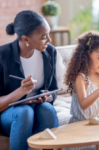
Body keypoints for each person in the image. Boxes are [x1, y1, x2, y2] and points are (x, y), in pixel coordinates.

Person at [0, 10, 59, 150]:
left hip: (37, 107)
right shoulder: (3, 55)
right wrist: (20, 92)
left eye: (48, 34)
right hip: (9, 114)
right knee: (24, 111)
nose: (49, 40)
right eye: (44, 37)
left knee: (47, 109)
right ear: (26, 39)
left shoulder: (50, 52)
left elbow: (53, 89)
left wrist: (48, 96)